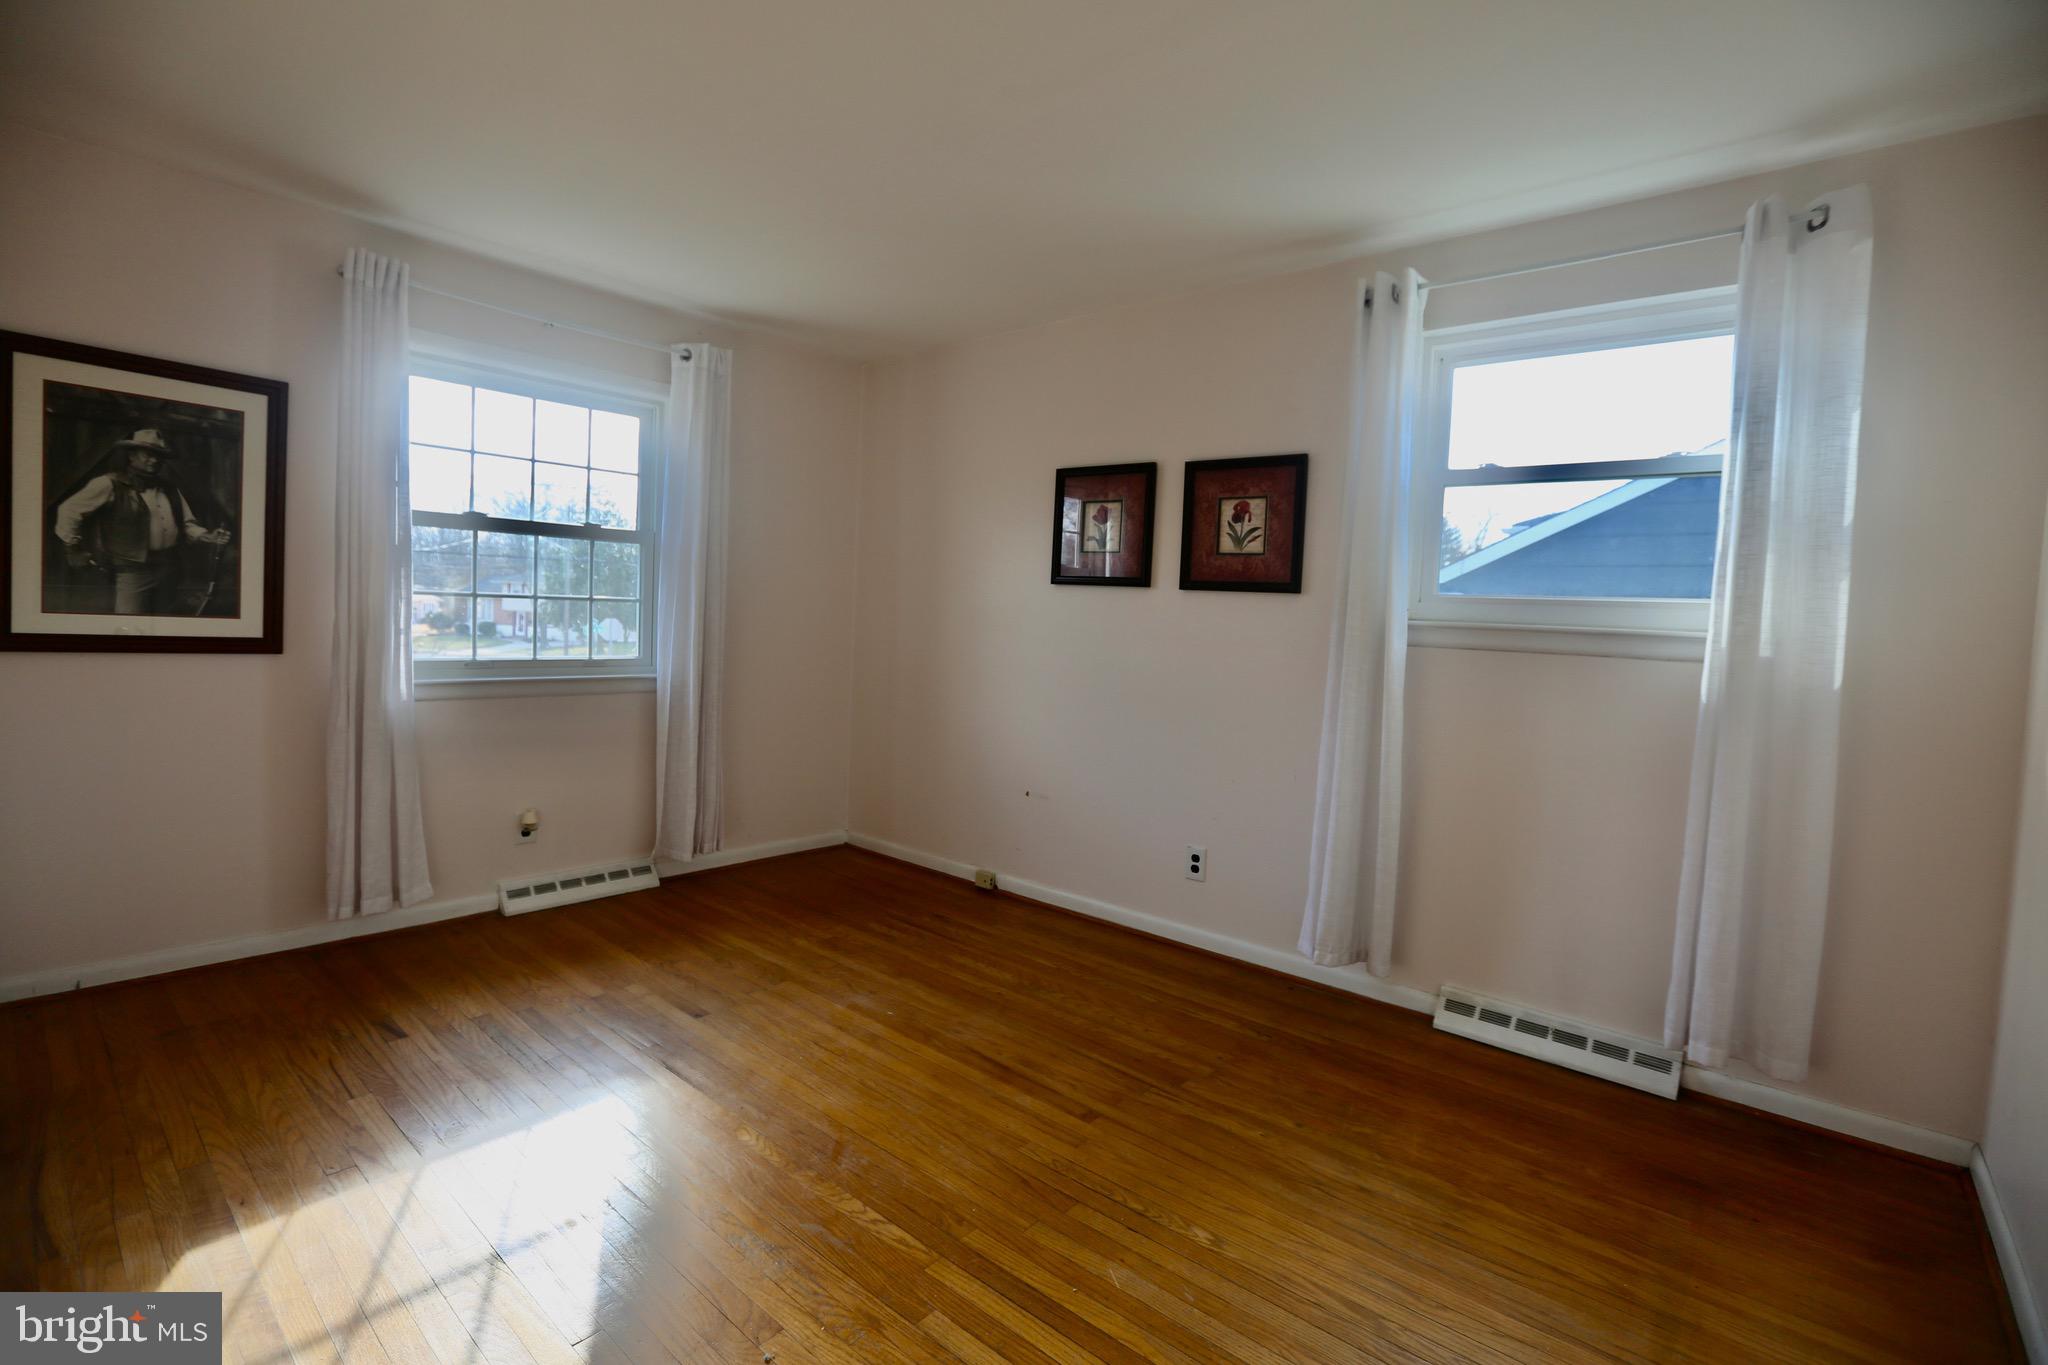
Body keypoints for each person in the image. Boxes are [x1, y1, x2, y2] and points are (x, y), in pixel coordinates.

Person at [51, 428, 231, 615]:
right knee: (131, 624)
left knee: (164, 621)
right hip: (132, 572)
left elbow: (186, 524)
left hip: (170, 568)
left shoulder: (169, 489)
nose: (154, 460)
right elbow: (69, 511)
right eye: (148, 454)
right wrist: (72, 547)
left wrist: (207, 536)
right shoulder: (108, 483)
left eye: (159, 456)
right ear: (131, 455)